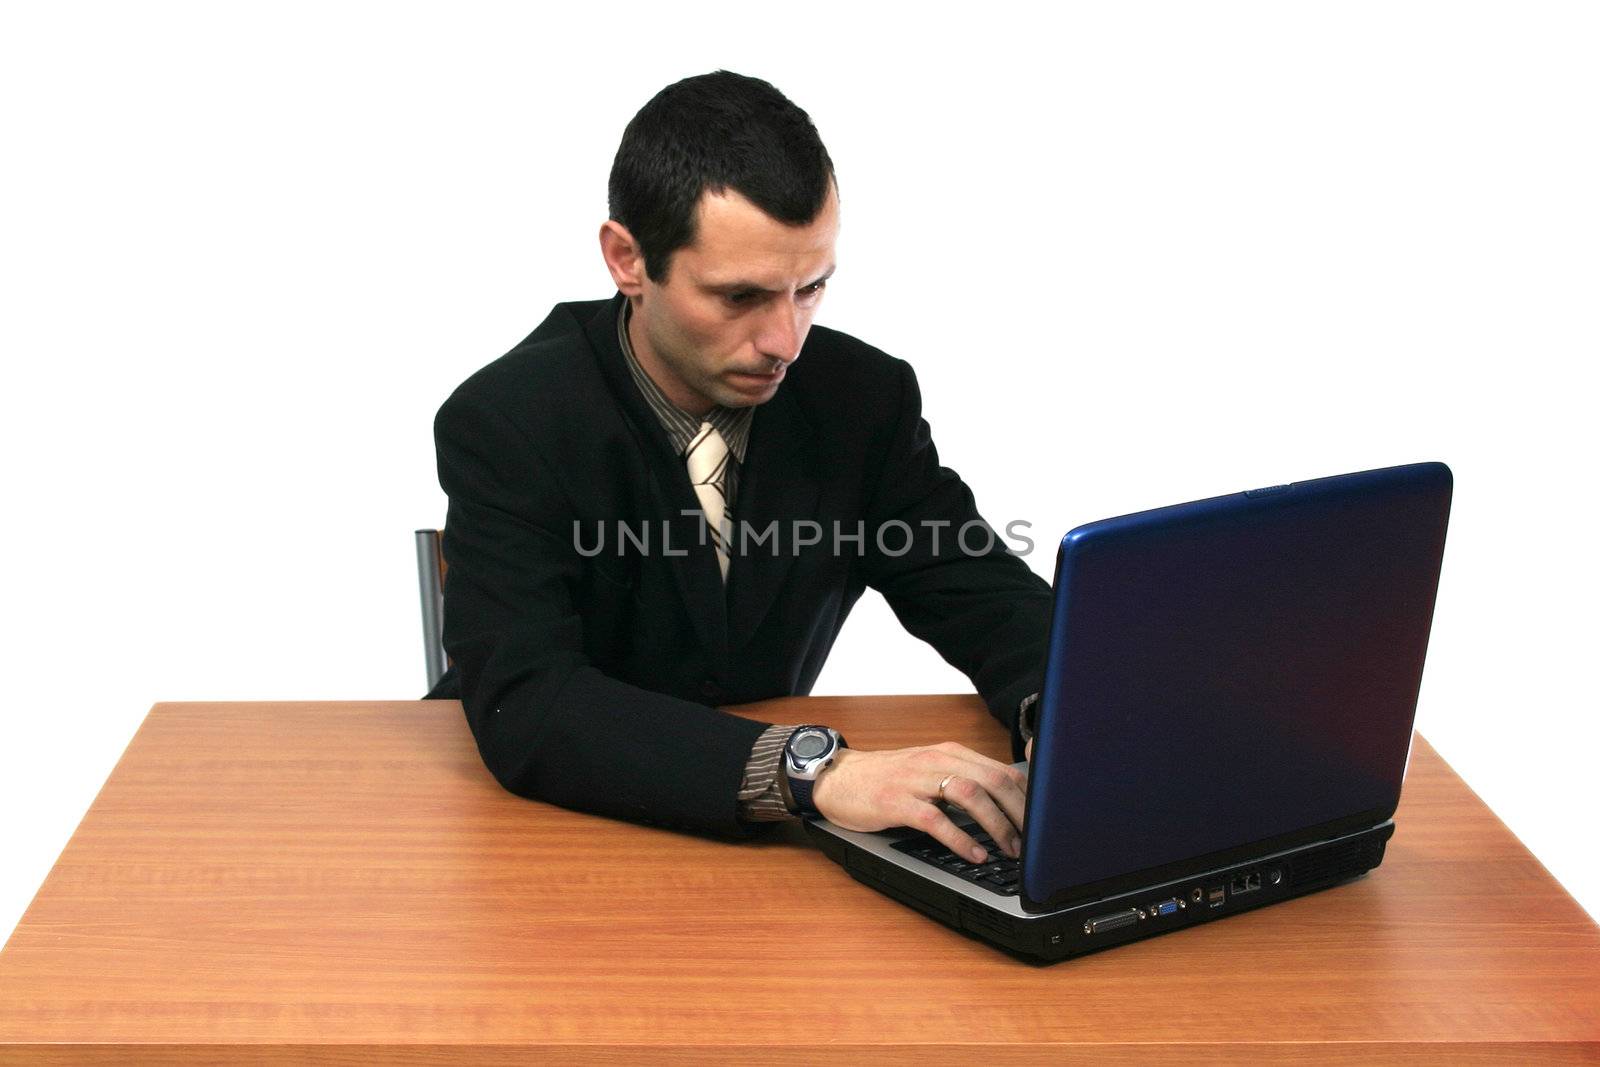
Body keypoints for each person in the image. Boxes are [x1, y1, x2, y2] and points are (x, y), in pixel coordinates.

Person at [426, 70, 1051, 867]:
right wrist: (816, 769)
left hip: (760, 853)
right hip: (542, 830)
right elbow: (532, 704)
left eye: (810, 288)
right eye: (740, 296)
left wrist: (1067, 723)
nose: (785, 341)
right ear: (627, 258)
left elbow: (978, 590)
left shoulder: (863, 397)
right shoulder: (510, 420)